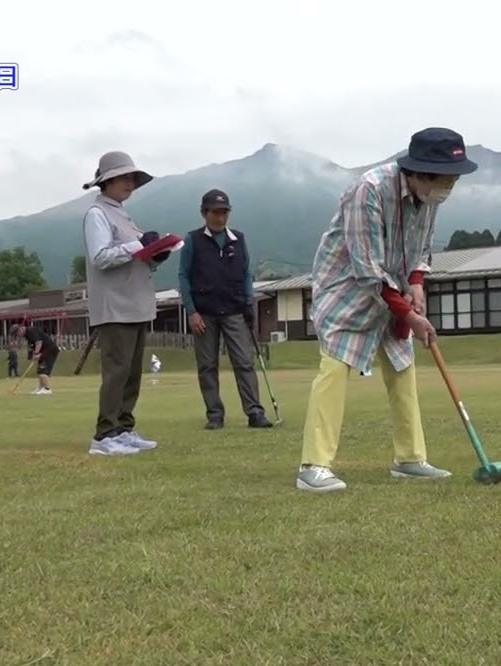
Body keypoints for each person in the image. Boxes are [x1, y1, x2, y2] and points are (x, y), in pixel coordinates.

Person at [295, 127, 477, 493]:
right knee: (335, 366)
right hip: (347, 288)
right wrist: (409, 314)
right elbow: (366, 268)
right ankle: (313, 466)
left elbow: (419, 249)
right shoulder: (370, 191)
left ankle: (410, 459)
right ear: (420, 172)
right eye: (446, 180)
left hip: (391, 290)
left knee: (402, 367)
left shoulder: (428, 199)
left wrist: (416, 285)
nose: (450, 188)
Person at [81, 150, 178, 455]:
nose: (129, 183)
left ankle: (123, 427)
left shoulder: (122, 213)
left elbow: (133, 257)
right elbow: (101, 257)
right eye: (123, 177)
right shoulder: (97, 214)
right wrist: (140, 245)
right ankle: (105, 435)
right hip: (114, 306)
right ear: (106, 182)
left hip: (135, 303)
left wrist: (155, 255)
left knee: (132, 373)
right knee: (117, 372)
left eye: (132, 177)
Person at [177, 189, 273, 430]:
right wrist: (191, 311)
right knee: (207, 365)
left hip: (234, 310)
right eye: (215, 213)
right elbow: (184, 276)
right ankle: (215, 415)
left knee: (244, 362)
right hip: (204, 313)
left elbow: (246, 274)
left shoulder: (238, 239)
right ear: (204, 213)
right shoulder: (193, 240)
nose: (220, 218)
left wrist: (249, 304)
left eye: (224, 212)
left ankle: (255, 412)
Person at [11, 322, 60, 395]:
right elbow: (32, 345)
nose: (18, 336)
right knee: (40, 370)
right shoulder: (27, 334)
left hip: (50, 350)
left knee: (43, 370)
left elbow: (39, 342)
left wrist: (36, 354)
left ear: (20, 329)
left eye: (17, 334)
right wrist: (32, 355)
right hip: (44, 351)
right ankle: (41, 388)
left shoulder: (31, 331)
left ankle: (47, 389)